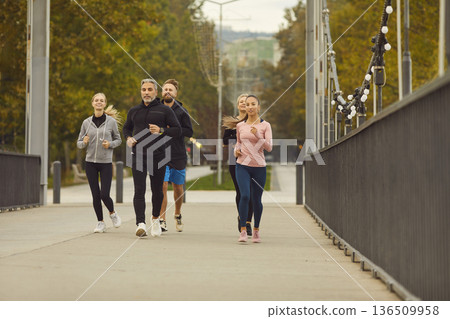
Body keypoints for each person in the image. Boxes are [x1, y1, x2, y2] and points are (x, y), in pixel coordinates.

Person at [123, 78, 181, 237]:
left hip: (159, 156)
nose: (146, 92)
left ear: (156, 92)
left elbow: (177, 130)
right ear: (141, 92)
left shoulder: (164, 110)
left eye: (150, 89)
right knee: (139, 189)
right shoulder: (134, 111)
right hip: (139, 155)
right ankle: (140, 223)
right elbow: (126, 128)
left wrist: (161, 130)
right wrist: (128, 138)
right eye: (144, 90)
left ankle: (155, 218)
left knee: (157, 191)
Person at [77, 92, 122, 233]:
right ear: (92, 103)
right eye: (96, 100)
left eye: (101, 100)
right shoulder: (86, 123)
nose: (99, 102)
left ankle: (113, 213)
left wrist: (110, 144)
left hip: (106, 163)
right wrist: (83, 142)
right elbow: (79, 143)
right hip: (90, 163)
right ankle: (100, 222)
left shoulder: (111, 122)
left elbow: (119, 140)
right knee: (95, 195)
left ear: (104, 104)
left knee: (104, 194)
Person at [234, 95, 272, 243]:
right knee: (244, 195)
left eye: (253, 104)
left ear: (258, 107)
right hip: (242, 165)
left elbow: (269, 147)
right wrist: (235, 151)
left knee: (256, 199)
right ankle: (243, 230)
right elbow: (238, 143)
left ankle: (256, 230)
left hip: (259, 167)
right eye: (248, 104)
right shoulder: (240, 126)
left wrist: (258, 135)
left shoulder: (265, 126)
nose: (250, 107)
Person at [158, 79, 193, 232]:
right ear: (161, 92)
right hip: (160, 153)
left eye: (170, 90)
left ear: (175, 93)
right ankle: (161, 219)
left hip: (178, 154)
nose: (167, 92)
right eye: (165, 89)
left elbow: (189, 132)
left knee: (178, 188)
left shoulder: (182, 111)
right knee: (163, 186)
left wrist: (169, 129)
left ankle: (177, 213)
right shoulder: (156, 109)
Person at [222, 93, 254, 236]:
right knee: (241, 192)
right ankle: (242, 218)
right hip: (235, 161)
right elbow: (225, 141)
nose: (243, 104)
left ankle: (248, 222)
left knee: (251, 193)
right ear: (238, 105)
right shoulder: (231, 123)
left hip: (253, 161)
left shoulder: (256, 122)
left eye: (246, 102)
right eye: (240, 102)